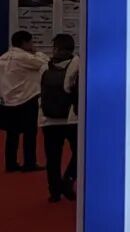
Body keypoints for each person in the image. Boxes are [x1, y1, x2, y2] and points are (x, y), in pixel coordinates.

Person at [39, 33, 79, 203]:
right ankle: (68, 180)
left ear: (55, 48)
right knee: (80, 154)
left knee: (52, 158)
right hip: (71, 119)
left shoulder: (44, 66)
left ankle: (54, 192)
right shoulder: (78, 64)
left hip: (48, 119)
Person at [0, 30, 46, 173]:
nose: (32, 44)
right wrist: (37, 52)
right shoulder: (25, 57)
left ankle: (11, 163)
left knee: (12, 134)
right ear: (24, 43)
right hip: (27, 99)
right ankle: (29, 163)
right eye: (30, 42)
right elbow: (45, 63)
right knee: (30, 133)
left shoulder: (3, 57)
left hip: (8, 101)